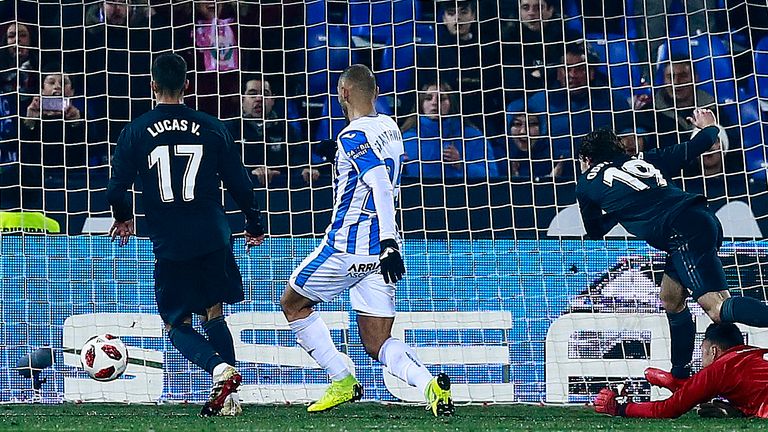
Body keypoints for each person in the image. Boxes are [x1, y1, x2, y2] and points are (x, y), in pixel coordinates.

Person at [279, 64, 454, 417]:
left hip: (347, 247)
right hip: (383, 255)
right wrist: (389, 246)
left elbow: (379, 184)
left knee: (293, 304)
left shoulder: (352, 137)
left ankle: (341, 378)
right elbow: (377, 168)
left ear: (343, 93)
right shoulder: (390, 127)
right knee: (377, 342)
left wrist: (387, 241)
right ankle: (430, 386)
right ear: (375, 94)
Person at [106, 53, 265, 417]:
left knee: (176, 323)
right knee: (214, 312)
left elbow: (116, 190)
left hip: (170, 240)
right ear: (187, 85)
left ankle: (219, 370)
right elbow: (241, 183)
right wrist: (254, 224)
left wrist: (124, 218)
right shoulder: (211, 126)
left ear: (152, 86)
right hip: (212, 234)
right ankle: (231, 398)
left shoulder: (136, 130)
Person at [576, 108, 768, 384]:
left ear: (586, 158)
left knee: (716, 308)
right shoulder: (644, 161)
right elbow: (694, 147)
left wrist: (617, 210)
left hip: (681, 232)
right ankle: (680, 376)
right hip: (701, 219)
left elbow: (594, 231)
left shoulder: (586, 183)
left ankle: (689, 376)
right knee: (671, 298)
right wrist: (710, 127)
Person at [594, 322, 768, 418]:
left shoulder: (719, 368)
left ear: (713, 351)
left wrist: (621, 409)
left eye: (702, 352)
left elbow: (668, 409)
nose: (701, 360)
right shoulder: (754, 353)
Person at [226, 76, 318, 187]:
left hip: (281, 193)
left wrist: (304, 170)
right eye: (252, 94)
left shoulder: (287, 130)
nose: (259, 98)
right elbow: (224, 164)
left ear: (273, 100)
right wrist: (250, 171)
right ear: (242, 100)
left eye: (265, 94)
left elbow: (298, 160)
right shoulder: (229, 129)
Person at [400, 81, 497, 181]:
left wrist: (461, 165)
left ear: (451, 102)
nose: (434, 103)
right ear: (421, 104)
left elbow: (493, 176)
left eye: (441, 99)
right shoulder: (406, 139)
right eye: (428, 98)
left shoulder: (472, 136)